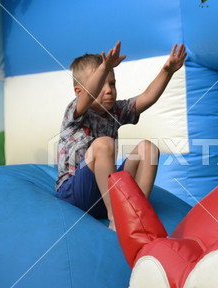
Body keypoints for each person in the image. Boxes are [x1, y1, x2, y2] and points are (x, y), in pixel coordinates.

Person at [56, 41, 186, 230]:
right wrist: (104, 67)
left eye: (112, 83)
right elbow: (88, 96)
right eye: (102, 84)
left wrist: (167, 71)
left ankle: (137, 213)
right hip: (75, 193)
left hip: (104, 192)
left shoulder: (115, 111)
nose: (109, 90)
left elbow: (146, 97)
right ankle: (115, 219)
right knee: (104, 144)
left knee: (148, 149)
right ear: (79, 92)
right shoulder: (75, 111)